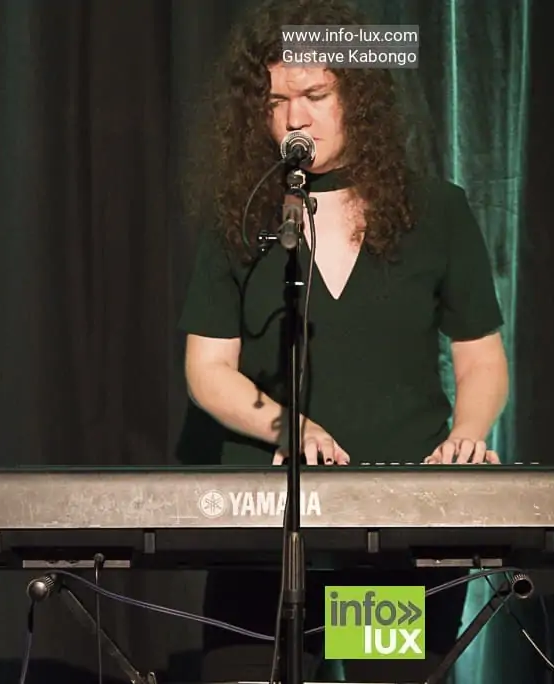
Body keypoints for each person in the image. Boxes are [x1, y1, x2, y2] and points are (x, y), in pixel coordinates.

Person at [176, 0, 509, 680]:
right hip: (266, 526)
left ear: (358, 95)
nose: (294, 118)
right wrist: (288, 427)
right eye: (276, 101)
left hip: (388, 525)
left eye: (315, 95)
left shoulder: (435, 211)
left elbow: (481, 360)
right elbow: (208, 367)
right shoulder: (240, 219)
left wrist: (467, 437)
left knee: (376, 673)